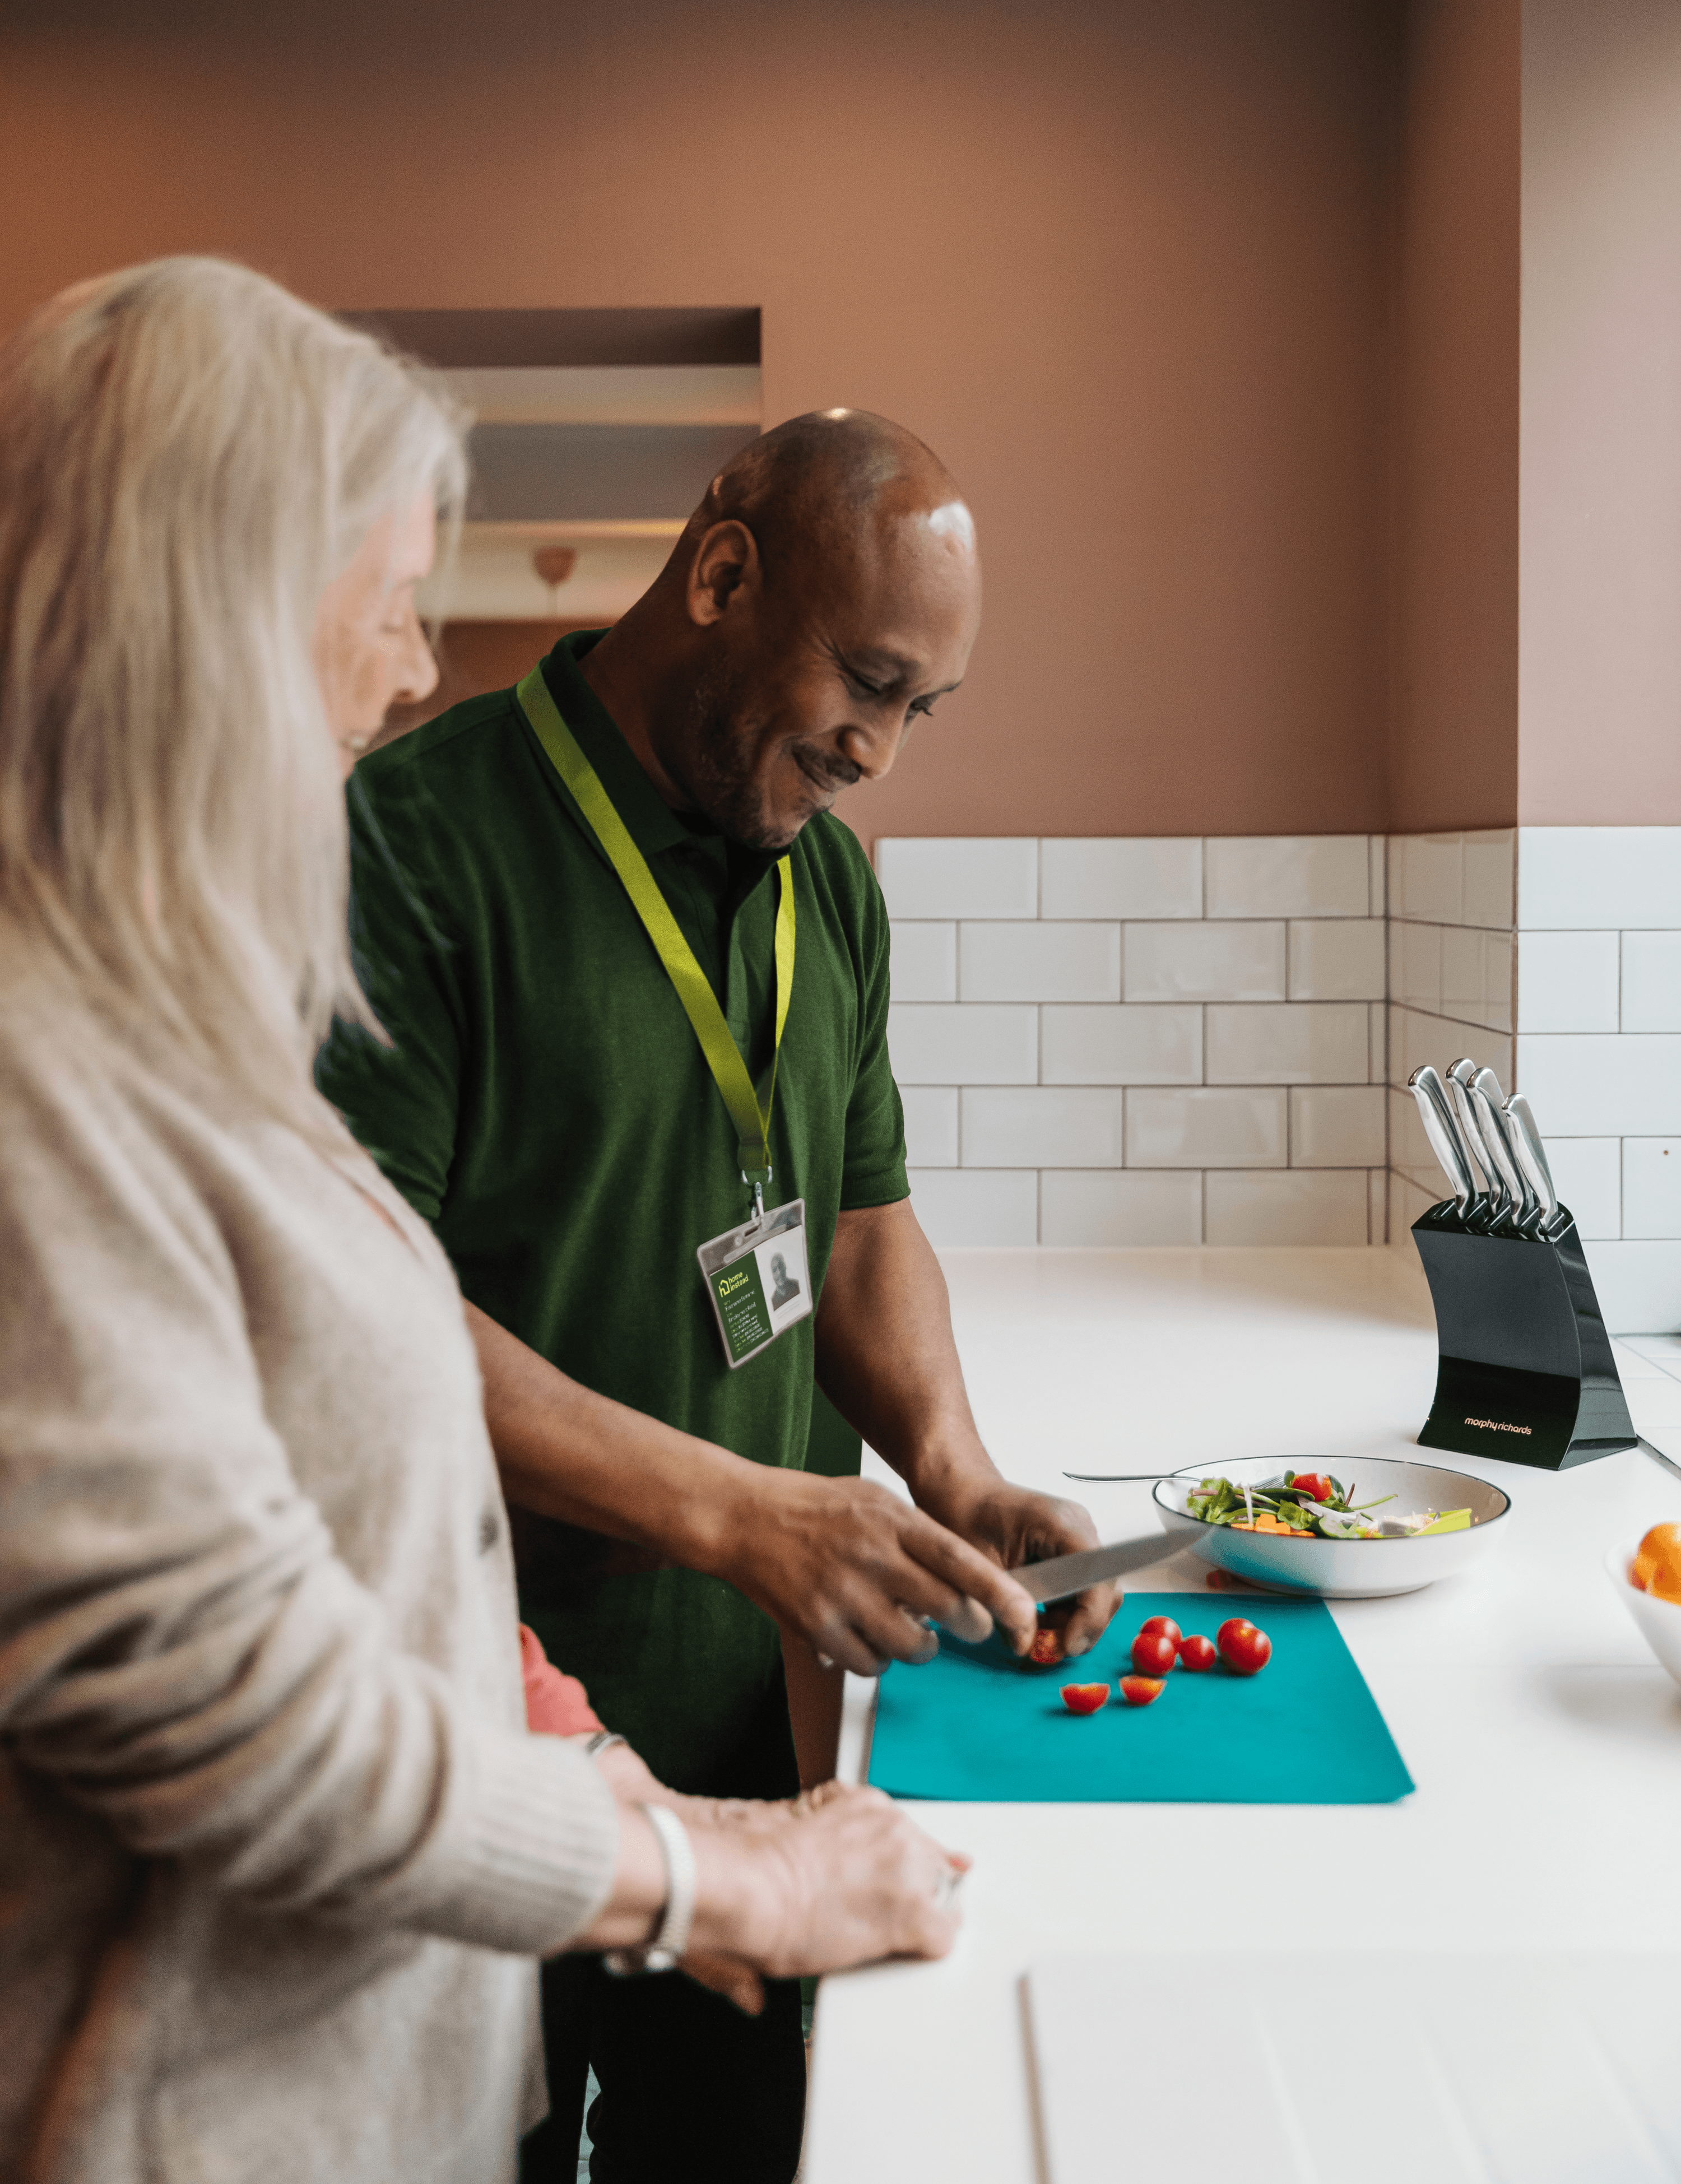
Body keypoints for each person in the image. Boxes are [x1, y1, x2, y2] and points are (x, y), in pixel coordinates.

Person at [0, 261, 967, 2184]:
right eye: (372, 612)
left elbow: (368, 1511)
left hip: (427, 2028)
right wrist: (707, 1875)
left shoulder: (162, 1023)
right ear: (207, 629)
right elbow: (236, 1706)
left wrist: (598, 1763)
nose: (412, 672)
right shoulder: (47, 1078)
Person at [317, 404, 1123, 2180]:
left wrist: (950, 1459)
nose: (883, 748)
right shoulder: (416, 845)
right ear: (725, 570)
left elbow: (852, 1232)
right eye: (866, 678)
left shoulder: (826, 879)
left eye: (924, 706)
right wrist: (749, 1510)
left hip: (755, 1734)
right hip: (484, 1737)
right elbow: (360, 1326)